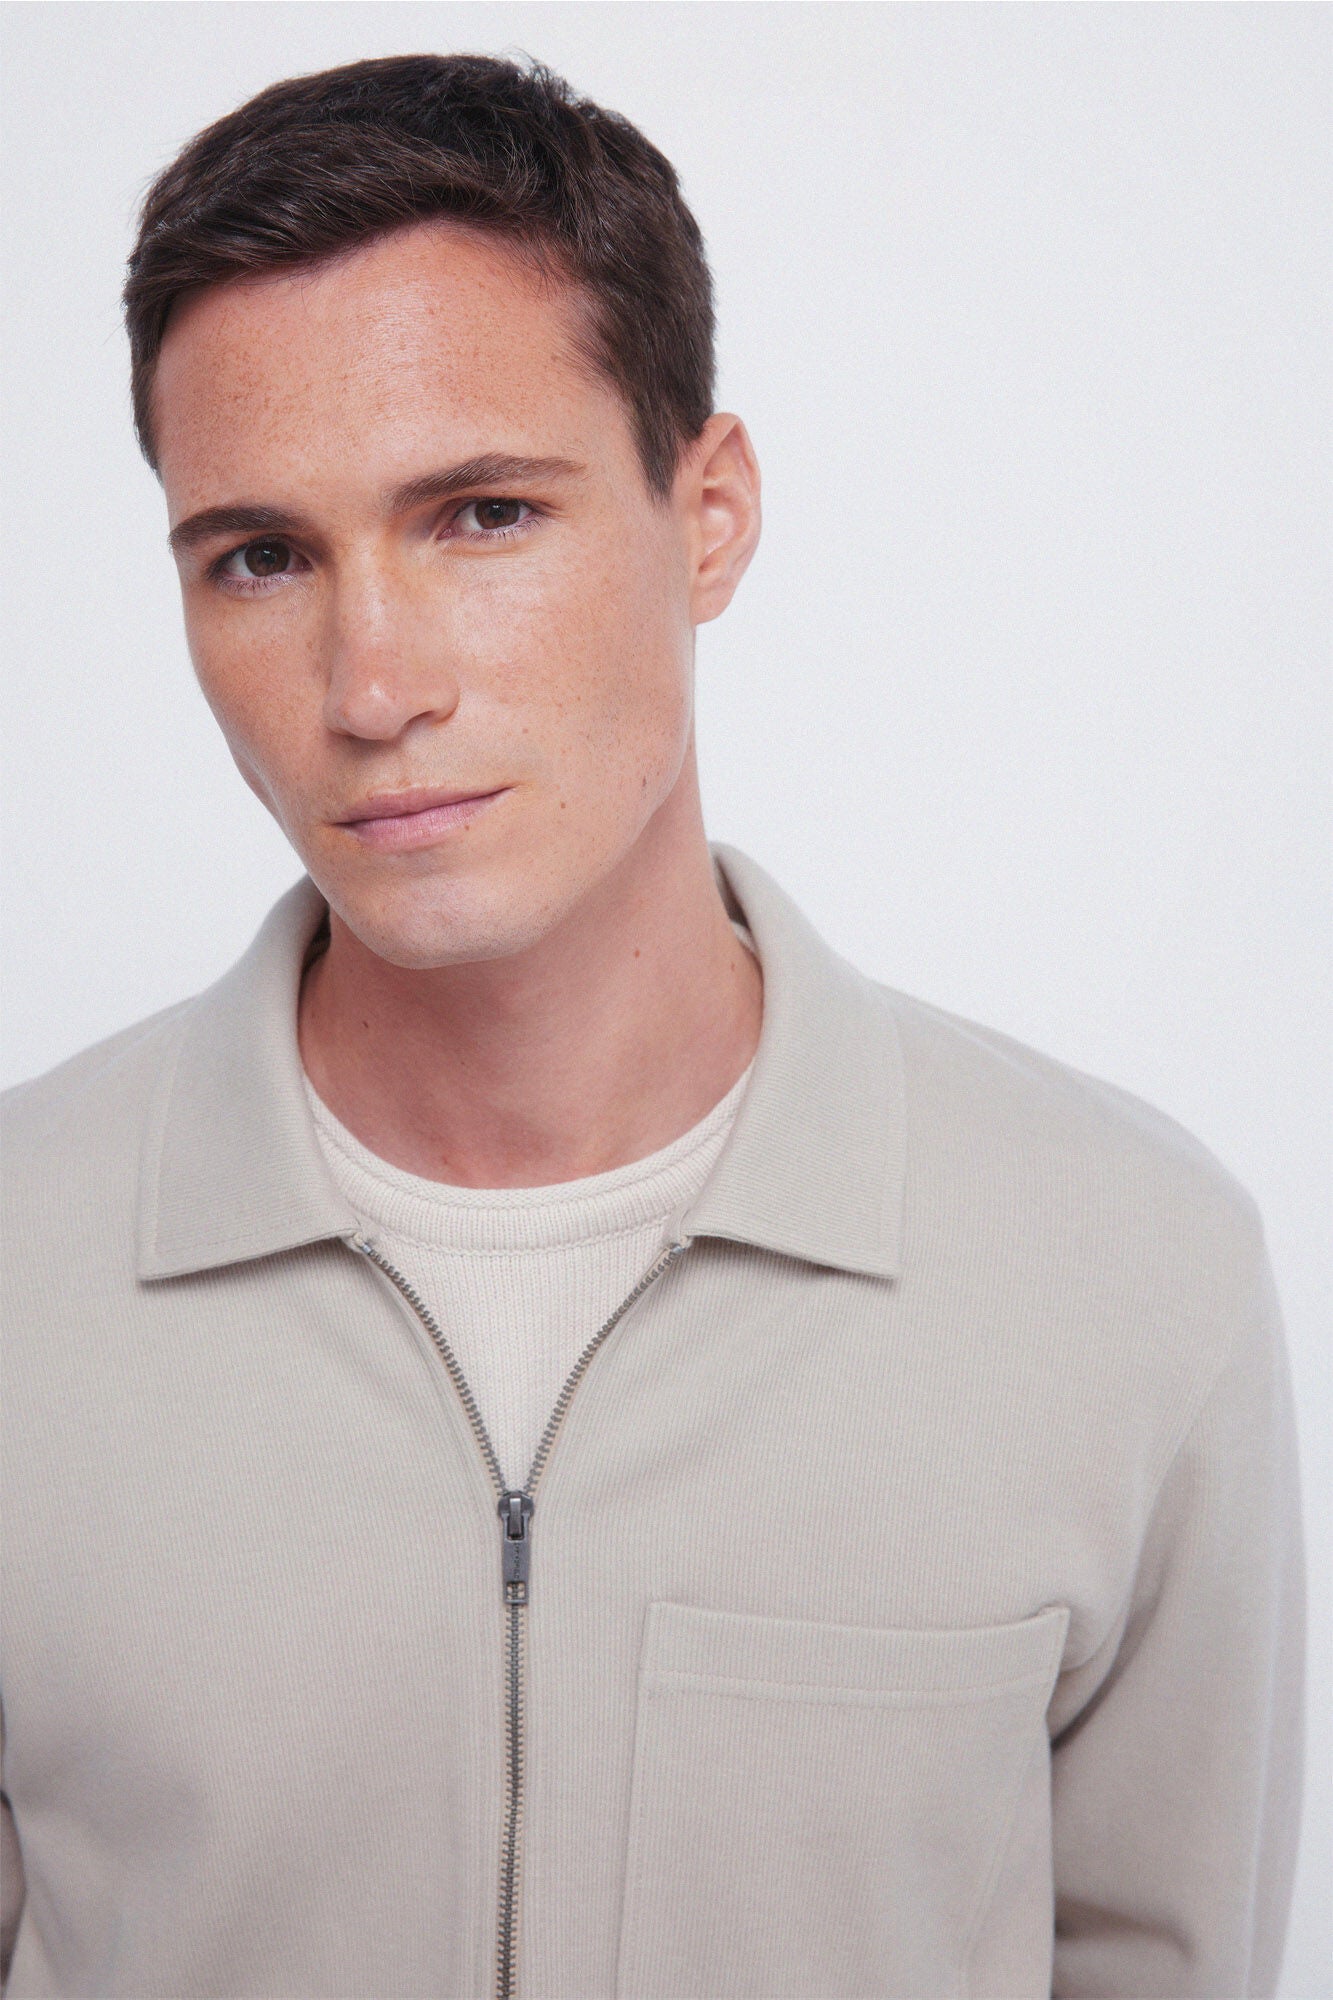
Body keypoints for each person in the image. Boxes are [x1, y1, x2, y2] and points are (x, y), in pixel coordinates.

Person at [0, 51, 1304, 2000]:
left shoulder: (1127, 1275)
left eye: (481, 515)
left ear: (707, 515)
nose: (371, 686)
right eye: (261, 556)